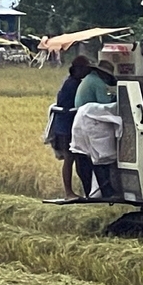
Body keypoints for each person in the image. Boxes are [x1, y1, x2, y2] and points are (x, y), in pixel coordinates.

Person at [71, 60, 118, 197]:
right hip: (91, 122)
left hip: (79, 122)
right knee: (101, 156)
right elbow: (105, 103)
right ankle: (106, 190)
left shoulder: (88, 79)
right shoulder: (98, 83)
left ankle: (89, 192)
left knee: (84, 157)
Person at [50, 55, 91, 200]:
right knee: (70, 158)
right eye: (85, 69)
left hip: (64, 125)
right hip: (66, 126)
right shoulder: (73, 85)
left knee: (75, 158)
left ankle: (78, 192)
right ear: (77, 70)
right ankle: (69, 192)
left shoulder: (70, 82)